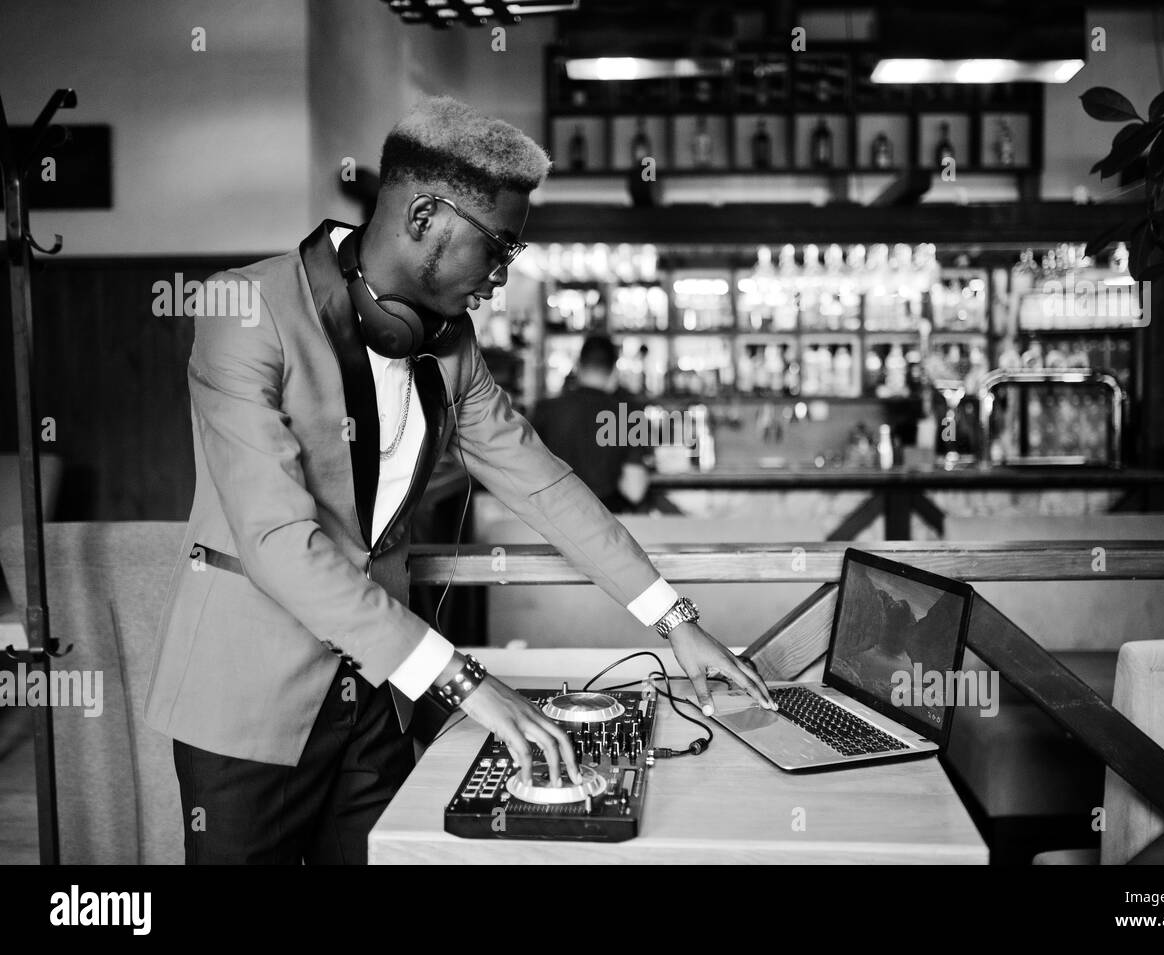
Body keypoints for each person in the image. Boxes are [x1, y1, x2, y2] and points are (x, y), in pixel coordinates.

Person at [144, 95, 774, 864]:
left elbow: (541, 482)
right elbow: (279, 541)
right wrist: (466, 681)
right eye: (499, 249)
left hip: (379, 700)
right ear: (423, 218)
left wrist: (676, 621)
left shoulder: (450, 344)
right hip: (251, 698)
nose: (503, 278)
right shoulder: (243, 311)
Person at [531, 335, 649, 513]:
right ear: (613, 371)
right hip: (608, 525)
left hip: (553, 524)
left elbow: (528, 479)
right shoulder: (628, 414)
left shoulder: (545, 410)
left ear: (579, 365)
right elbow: (635, 490)